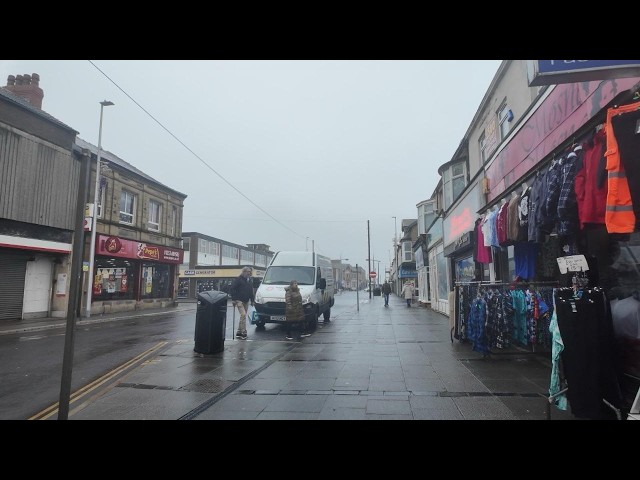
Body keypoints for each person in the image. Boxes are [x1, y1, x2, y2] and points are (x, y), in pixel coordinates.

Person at [230, 266, 254, 340]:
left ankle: (239, 332)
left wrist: (252, 300)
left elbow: (251, 291)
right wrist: (233, 299)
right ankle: (244, 332)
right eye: (248, 272)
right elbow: (232, 289)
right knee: (243, 315)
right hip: (239, 300)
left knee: (243, 316)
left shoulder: (249, 280)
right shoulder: (238, 279)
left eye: (250, 272)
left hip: (246, 301)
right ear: (243, 272)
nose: (249, 273)